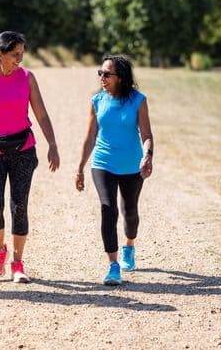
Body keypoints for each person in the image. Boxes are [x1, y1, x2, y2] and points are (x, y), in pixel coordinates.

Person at [0, 31, 60, 283]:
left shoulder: (27, 78)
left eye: (22, 54)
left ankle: (17, 263)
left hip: (24, 150)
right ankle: (0, 252)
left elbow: (41, 113)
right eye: (15, 54)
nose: (20, 59)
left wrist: (52, 143)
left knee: (19, 205)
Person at [75, 54, 153, 285]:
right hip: (103, 163)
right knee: (108, 209)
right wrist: (79, 168)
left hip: (131, 164)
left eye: (107, 74)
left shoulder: (138, 100)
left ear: (121, 77)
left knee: (129, 211)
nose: (102, 77)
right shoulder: (97, 100)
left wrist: (148, 156)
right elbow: (90, 137)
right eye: (100, 73)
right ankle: (113, 265)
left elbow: (147, 135)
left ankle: (129, 246)